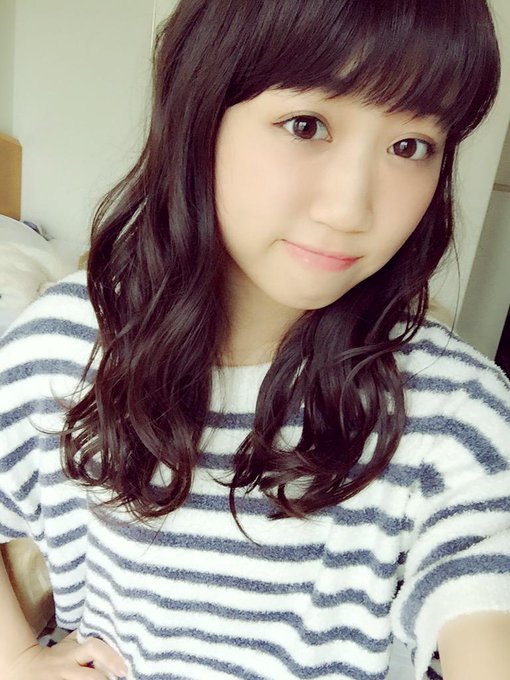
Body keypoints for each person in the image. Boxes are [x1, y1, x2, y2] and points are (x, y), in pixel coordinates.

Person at [1, 0, 509, 678]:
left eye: (410, 146)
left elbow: (485, 595)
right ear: (200, 114)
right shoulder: (66, 347)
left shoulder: (451, 406)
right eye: (306, 125)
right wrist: (18, 659)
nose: (350, 209)